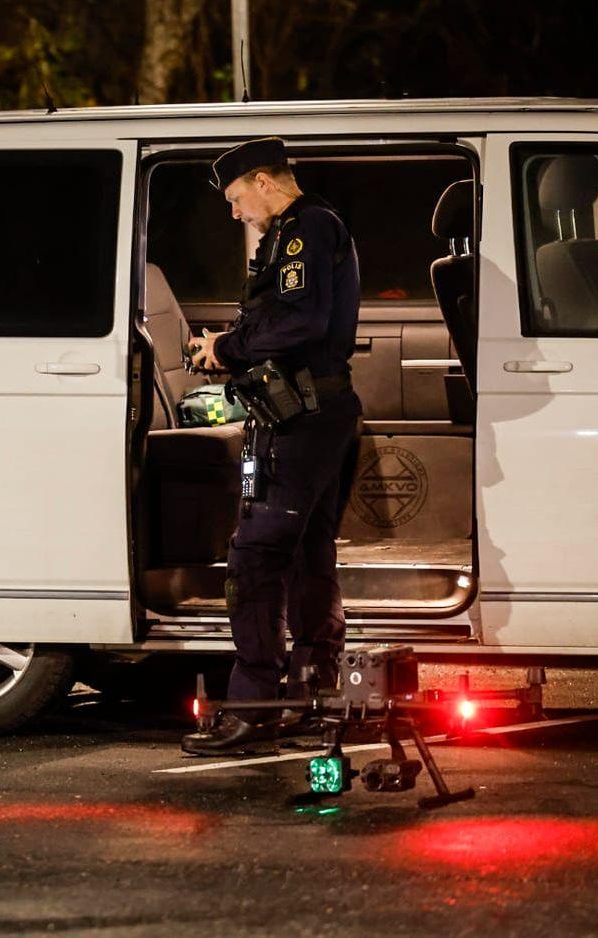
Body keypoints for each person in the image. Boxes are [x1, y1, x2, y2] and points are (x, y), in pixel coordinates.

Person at [180, 137, 363, 754]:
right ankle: (312, 695)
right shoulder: (305, 227)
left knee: (255, 557)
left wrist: (225, 350)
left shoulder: (304, 228)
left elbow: (299, 322)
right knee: (311, 554)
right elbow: (283, 316)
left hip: (304, 417)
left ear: (262, 180)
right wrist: (231, 341)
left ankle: (255, 706)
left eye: (235, 199)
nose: (234, 213)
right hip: (318, 411)